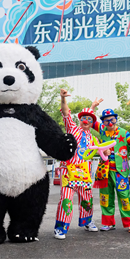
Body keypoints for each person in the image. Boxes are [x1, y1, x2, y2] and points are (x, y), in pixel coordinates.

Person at [53, 90, 101, 240]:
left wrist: (92, 107)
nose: (86, 121)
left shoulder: (93, 137)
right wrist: (62, 98)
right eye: (83, 119)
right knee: (66, 199)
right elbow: (66, 113)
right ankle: (60, 228)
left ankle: (87, 222)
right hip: (69, 171)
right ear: (79, 120)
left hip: (85, 173)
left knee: (87, 199)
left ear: (93, 123)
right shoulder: (73, 128)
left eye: (89, 119)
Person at [92, 108, 130, 233]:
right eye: (106, 121)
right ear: (103, 123)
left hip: (120, 171)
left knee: (124, 196)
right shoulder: (102, 130)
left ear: (116, 119)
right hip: (104, 170)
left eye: (112, 120)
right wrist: (94, 107)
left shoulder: (123, 132)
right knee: (105, 197)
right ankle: (108, 223)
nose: (109, 123)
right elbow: (90, 119)